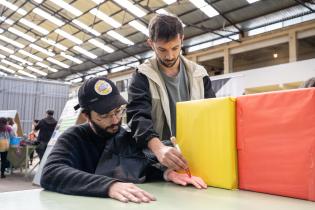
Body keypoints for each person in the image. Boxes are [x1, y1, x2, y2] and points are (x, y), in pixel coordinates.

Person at [40, 76, 207, 203]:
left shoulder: (126, 135)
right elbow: (51, 173)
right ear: (86, 116)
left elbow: (135, 167)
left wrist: (166, 174)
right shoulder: (73, 138)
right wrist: (109, 186)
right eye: (104, 115)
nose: (115, 120)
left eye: (118, 111)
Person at [127, 14, 216, 172]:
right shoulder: (142, 76)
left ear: (182, 39)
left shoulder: (200, 74)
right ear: (151, 43)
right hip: (158, 161)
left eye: (175, 48)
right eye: (162, 49)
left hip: (197, 157)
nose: (170, 56)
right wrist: (159, 149)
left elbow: (213, 115)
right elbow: (138, 118)